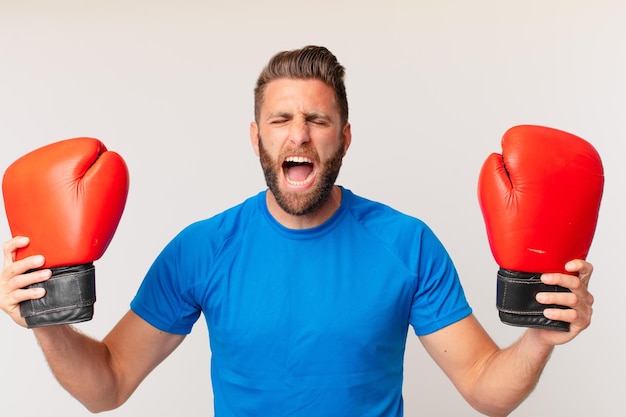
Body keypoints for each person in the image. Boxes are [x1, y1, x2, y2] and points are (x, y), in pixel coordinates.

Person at [0, 46, 594, 417]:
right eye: (280, 119)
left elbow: (486, 391)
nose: (299, 135)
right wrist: (45, 321)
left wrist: (541, 337)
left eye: (318, 119)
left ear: (345, 136)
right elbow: (107, 387)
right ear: (255, 137)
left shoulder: (406, 244)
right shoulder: (202, 250)